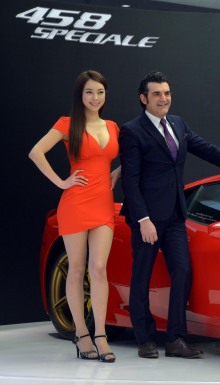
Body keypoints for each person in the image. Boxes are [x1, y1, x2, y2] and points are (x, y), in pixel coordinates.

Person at [119, 71, 220, 359]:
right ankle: (145, 339)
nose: (164, 98)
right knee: (142, 278)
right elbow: (130, 182)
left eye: (167, 92)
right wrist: (143, 220)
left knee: (183, 273)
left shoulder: (177, 124)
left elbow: (207, 149)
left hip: (175, 215)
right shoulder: (132, 131)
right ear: (143, 98)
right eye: (157, 93)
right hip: (147, 219)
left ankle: (175, 340)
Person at [28, 70, 119, 363]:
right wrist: (62, 182)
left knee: (100, 269)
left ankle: (101, 335)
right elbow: (36, 152)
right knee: (77, 269)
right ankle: (82, 335)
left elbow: (122, 160)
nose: (95, 98)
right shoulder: (67, 124)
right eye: (89, 92)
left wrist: (115, 174)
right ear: (80, 95)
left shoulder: (113, 127)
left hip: (104, 204)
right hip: (76, 203)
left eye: (100, 92)